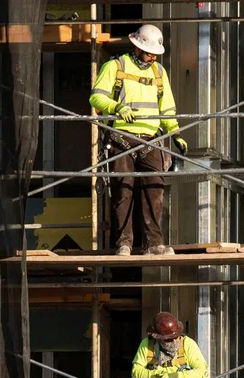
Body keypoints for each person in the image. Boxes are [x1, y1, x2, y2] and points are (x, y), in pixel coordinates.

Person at [89, 25, 188, 256]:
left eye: (155, 52)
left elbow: (168, 109)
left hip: (151, 140)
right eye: (148, 51)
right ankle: (124, 243)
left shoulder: (159, 73)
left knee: (154, 191)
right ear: (136, 46)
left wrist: (176, 134)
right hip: (121, 139)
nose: (152, 56)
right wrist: (116, 107)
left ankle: (154, 244)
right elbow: (96, 97)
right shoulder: (114, 66)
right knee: (124, 192)